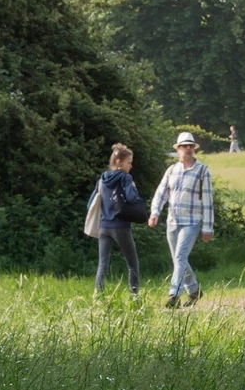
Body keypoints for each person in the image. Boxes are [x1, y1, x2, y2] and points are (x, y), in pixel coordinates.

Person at [147, 130, 216, 308]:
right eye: (184, 146)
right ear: (177, 149)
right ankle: (193, 290)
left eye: (190, 146)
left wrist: (207, 227)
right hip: (172, 222)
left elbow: (208, 201)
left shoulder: (202, 171)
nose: (187, 149)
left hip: (192, 222)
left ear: (194, 149)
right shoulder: (172, 170)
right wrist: (155, 213)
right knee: (179, 259)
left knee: (180, 256)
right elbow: (161, 193)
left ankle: (173, 296)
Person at [91, 142, 146, 296]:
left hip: (103, 227)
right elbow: (131, 197)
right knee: (133, 264)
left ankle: (98, 296)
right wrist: (133, 187)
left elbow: (92, 203)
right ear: (119, 162)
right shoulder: (126, 177)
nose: (131, 166)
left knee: (103, 264)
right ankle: (134, 297)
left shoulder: (102, 180)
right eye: (129, 162)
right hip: (120, 226)